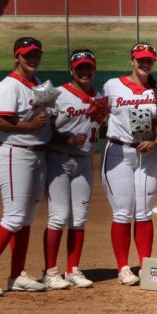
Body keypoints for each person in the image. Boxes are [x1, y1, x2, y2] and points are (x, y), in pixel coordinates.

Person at [0, 37, 51, 296]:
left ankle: (17, 275)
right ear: (17, 56)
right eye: (27, 54)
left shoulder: (38, 83)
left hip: (36, 154)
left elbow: (48, 114)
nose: (32, 58)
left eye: (36, 53)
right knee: (14, 216)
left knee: (26, 218)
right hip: (15, 154)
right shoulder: (8, 86)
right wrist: (29, 126)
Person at [101, 43, 157, 286]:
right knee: (122, 213)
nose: (144, 63)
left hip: (147, 156)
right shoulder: (112, 86)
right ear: (132, 60)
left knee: (144, 213)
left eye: (148, 60)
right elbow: (99, 115)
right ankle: (123, 267)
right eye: (140, 59)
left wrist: (155, 141)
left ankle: (146, 265)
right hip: (119, 153)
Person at [42, 49, 105, 290]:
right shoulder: (56, 94)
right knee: (58, 217)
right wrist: (64, 140)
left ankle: (73, 270)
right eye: (80, 68)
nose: (85, 72)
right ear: (72, 70)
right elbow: (42, 130)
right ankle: (50, 272)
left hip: (84, 162)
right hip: (59, 160)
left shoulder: (99, 97)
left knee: (79, 219)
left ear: (95, 69)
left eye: (88, 67)